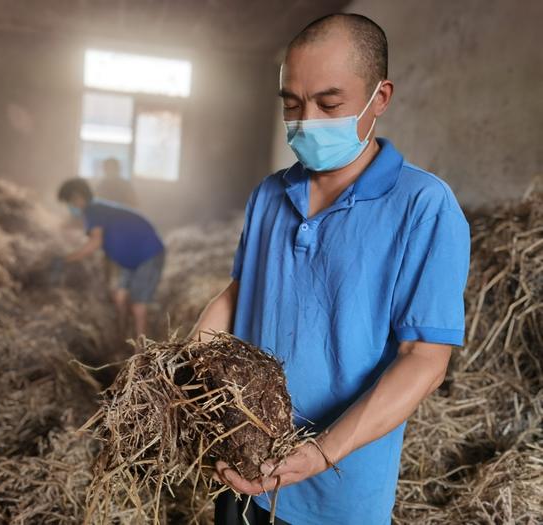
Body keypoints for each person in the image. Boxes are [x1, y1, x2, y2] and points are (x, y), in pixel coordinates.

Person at [190, 13, 470, 525]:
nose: (307, 120)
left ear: (379, 98)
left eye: (330, 103)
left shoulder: (424, 206)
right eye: (292, 104)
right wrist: (187, 368)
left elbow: (424, 359)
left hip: (336, 494)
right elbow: (238, 293)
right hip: (240, 460)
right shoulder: (269, 194)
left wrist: (320, 452)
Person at [58, 177, 165, 338]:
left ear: (77, 197)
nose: (70, 207)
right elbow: (105, 247)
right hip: (131, 257)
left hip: (147, 254)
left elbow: (95, 242)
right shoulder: (98, 209)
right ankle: (122, 335)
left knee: (138, 306)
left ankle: (141, 351)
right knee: (120, 296)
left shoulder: (93, 210)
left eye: (69, 202)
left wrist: (67, 259)